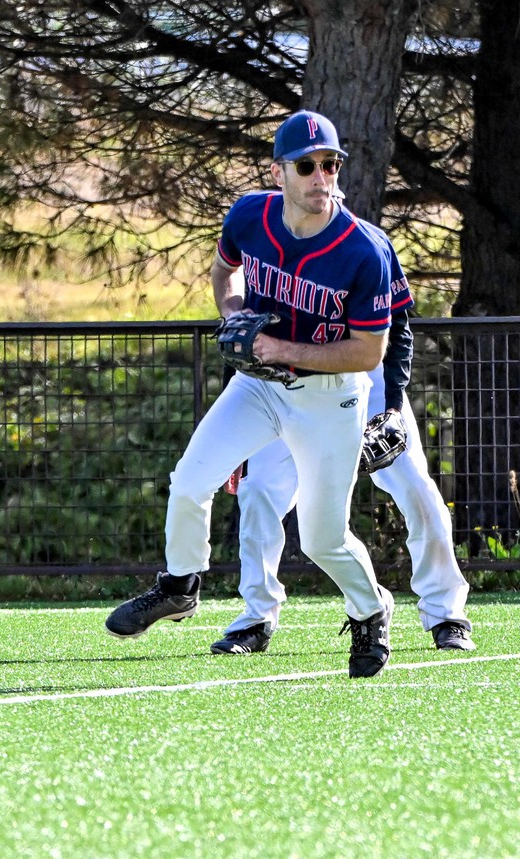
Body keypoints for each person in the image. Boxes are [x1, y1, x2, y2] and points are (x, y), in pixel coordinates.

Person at [104, 110, 397, 679]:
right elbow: (224, 271)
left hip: (329, 397)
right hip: (260, 386)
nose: (321, 177)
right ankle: (180, 586)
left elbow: (368, 353)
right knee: (189, 482)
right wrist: (236, 315)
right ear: (278, 171)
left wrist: (279, 348)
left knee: (322, 539)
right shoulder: (249, 214)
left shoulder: (363, 249)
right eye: (306, 166)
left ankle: (370, 610)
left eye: (331, 164)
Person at [213, 275, 475, 655]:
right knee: (258, 492)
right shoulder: (266, 247)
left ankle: (446, 613)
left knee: (415, 486)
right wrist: (235, 430)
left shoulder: (365, 248)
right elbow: (239, 339)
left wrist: (393, 406)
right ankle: (257, 618)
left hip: (363, 379)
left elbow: (398, 327)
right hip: (285, 383)